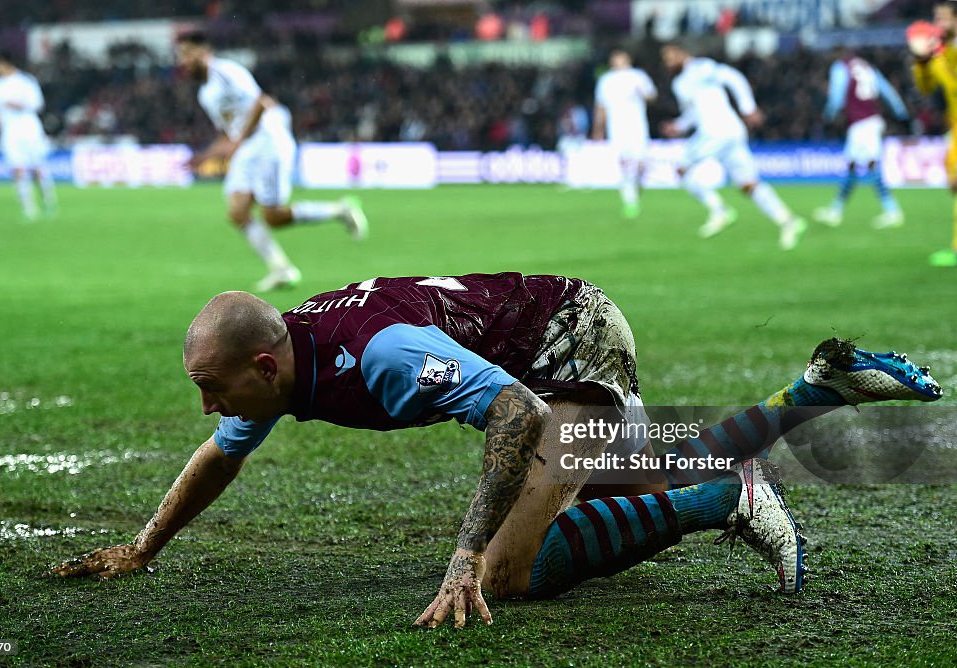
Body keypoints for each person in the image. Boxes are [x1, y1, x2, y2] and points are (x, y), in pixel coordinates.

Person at [51, 273, 941, 629]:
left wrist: (464, 558)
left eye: (214, 386)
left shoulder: (379, 357)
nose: (208, 406)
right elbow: (221, 453)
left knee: (512, 572)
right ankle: (816, 391)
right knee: (643, 469)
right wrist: (144, 547)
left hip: (566, 343)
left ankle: (728, 497)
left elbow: (516, 416)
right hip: (540, 346)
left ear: (260, 364)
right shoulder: (282, 365)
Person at [175, 31, 368, 291]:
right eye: (180, 55)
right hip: (247, 146)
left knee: (274, 217)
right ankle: (281, 269)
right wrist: (206, 155)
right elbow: (229, 132)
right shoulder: (205, 94)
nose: (182, 61)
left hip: (268, 140)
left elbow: (261, 103)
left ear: (203, 51)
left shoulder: (226, 71)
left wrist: (238, 140)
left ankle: (339, 210)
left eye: (187, 53)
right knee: (237, 211)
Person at [659, 43, 807, 250]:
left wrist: (748, 107)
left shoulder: (700, 67)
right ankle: (788, 220)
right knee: (748, 185)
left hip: (716, 132)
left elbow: (733, 78)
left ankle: (720, 210)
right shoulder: (680, 84)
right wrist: (678, 126)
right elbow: (694, 113)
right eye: (665, 59)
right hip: (728, 132)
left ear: (684, 53)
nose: (669, 61)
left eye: (671, 56)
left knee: (681, 169)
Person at [813, 48, 909, 229]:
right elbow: (887, 91)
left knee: (870, 165)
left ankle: (892, 211)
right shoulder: (867, 66)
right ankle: (836, 210)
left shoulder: (840, 67)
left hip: (860, 124)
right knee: (852, 166)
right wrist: (901, 113)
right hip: (872, 121)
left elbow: (837, 97)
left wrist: (828, 116)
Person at [909, 2, 957, 267]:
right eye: (935, 18)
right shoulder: (944, 52)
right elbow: (926, 88)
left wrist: (935, 57)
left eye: (944, 18)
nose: (937, 23)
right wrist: (921, 61)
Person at [0, 50, 56, 220]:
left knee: (37, 167)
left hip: (29, 127)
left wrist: (16, 104)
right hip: (10, 131)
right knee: (17, 168)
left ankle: (49, 201)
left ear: (5, 63)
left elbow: (37, 104)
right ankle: (29, 209)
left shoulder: (26, 81)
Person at [591, 50, 657, 219]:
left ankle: (636, 185)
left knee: (641, 163)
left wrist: (643, 92)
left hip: (637, 126)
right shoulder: (606, 80)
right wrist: (598, 128)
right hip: (617, 128)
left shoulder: (638, 76)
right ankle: (630, 202)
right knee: (625, 163)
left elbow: (652, 96)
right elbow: (601, 106)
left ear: (628, 60)